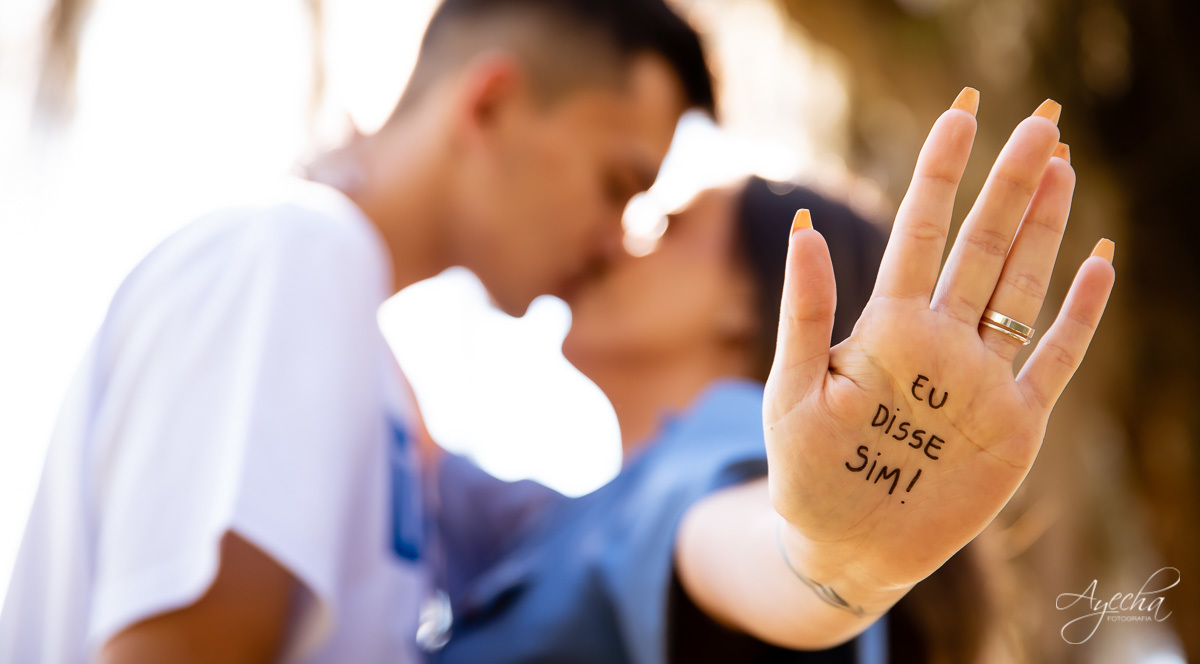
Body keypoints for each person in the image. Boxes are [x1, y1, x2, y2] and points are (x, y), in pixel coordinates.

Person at [0, 0, 715, 664]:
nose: (615, 240)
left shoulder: (361, 354)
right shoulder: (300, 251)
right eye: (617, 186)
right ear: (490, 105)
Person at [430, 90, 1115, 662]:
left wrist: (828, 568)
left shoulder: (711, 450)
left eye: (667, 225)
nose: (616, 238)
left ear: (748, 302)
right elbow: (404, 458)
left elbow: (742, 539)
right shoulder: (568, 517)